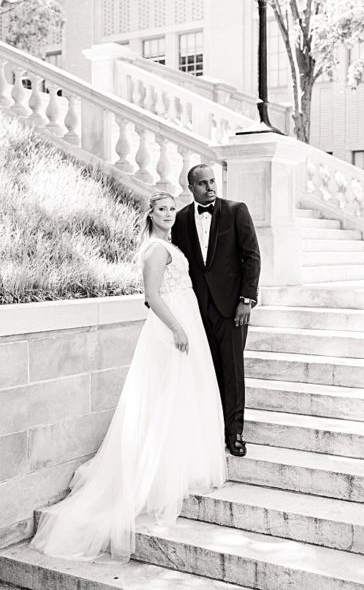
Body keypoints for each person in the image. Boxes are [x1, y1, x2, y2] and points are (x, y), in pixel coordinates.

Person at [31, 192, 226, 562]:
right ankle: (154, 472)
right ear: (150, 213)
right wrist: (177, 328)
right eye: (162, 209)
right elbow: (152, 294)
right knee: (166, 397)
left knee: (182, 396)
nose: (169, 214)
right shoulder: (155, 249)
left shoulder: (168, 244)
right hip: (172, 326)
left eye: (172, 209)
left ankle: (180, 461)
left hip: (185, 319)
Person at [171, 164, 261, 457]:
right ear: (191, 188)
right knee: (207, 372)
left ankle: (234, 433)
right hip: (198, 309)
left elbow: (251, 256)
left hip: (232, 308)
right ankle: (211, 429)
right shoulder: (181, 219)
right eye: (203, 183)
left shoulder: (237, 211)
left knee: (233, 371)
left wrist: (246, 300)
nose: (210, 187)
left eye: (213, 181)